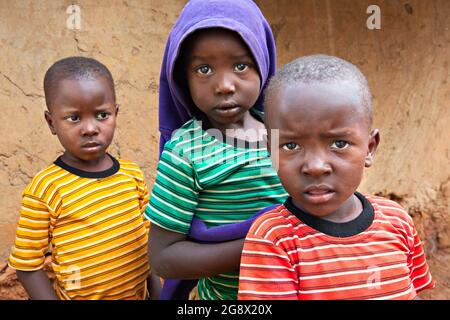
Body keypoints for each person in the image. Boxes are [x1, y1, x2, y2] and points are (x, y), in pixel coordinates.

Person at [238, 54, 435, 300]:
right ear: (271, 152)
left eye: (339, 143)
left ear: (370, 148)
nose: (316, 166)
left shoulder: (397, 222)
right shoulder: (274, 238)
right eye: (290, 146)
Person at [146, 0, 287, 300]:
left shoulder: (287, 135)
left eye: (240, 66)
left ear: (262, 63)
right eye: (204, 69)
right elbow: (164, 258)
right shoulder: (186, 152)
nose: (224, 85)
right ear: (182, 77)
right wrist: (262, 246)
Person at [8, 56, 161, 300]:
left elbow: (146, 244)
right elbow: (27, 266)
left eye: (102, 115)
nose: (90, 128)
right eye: (74, 118)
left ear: (116, 113)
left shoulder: (132, 175)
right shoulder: (45, 189)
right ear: (51, 122)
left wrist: (158, 294)